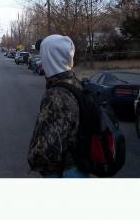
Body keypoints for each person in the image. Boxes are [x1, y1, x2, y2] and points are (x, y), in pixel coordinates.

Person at [27, 34, 89, 178]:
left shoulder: (56, 95)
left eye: (43, 56)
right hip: (79, 167)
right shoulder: (75, 83)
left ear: (50, 58)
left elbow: (49, 147)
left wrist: (34, 158)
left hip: (63, 171)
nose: (42, 60)